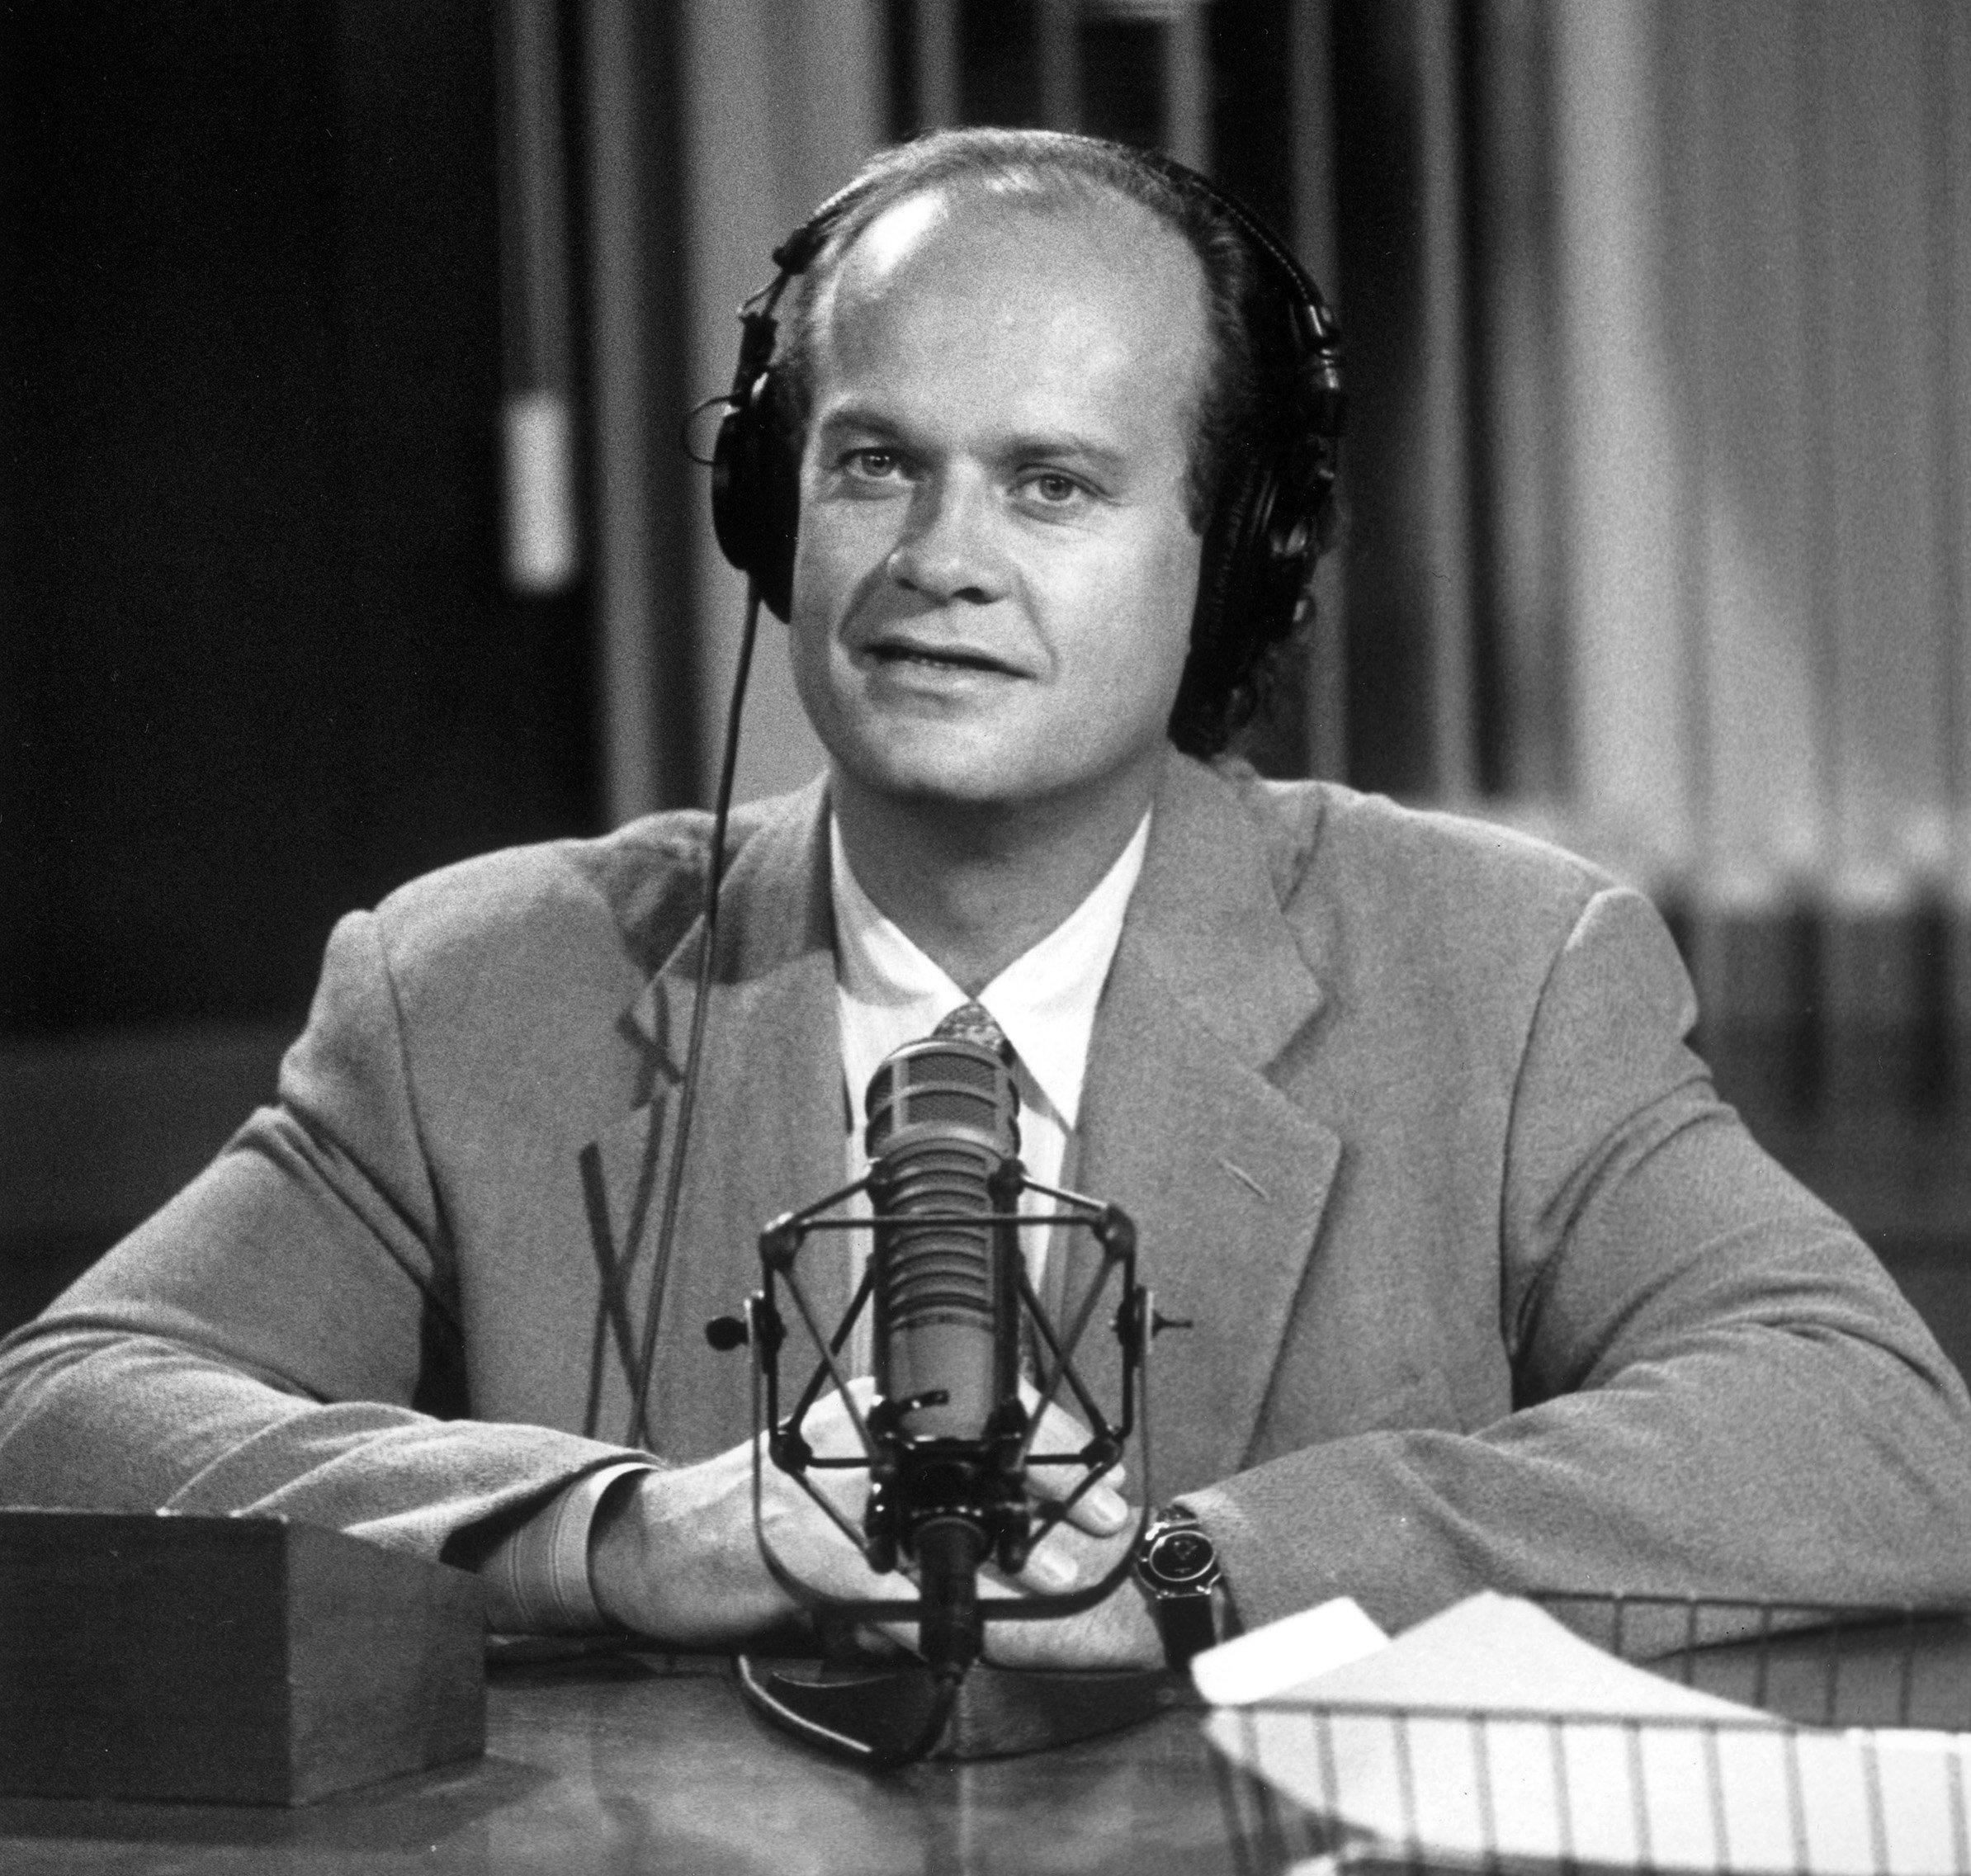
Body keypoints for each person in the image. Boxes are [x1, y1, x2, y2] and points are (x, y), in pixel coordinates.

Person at [3, 127, 1969, 1669]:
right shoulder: (474, 987)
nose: (941, 558)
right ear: (772, 511)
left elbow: (1872, 1432)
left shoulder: (1505, 969)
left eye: (1051, 484)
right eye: (875, 464)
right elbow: (69, 1416)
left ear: (1240, 550)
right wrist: (612, 1536)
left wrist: (1210, 1564)